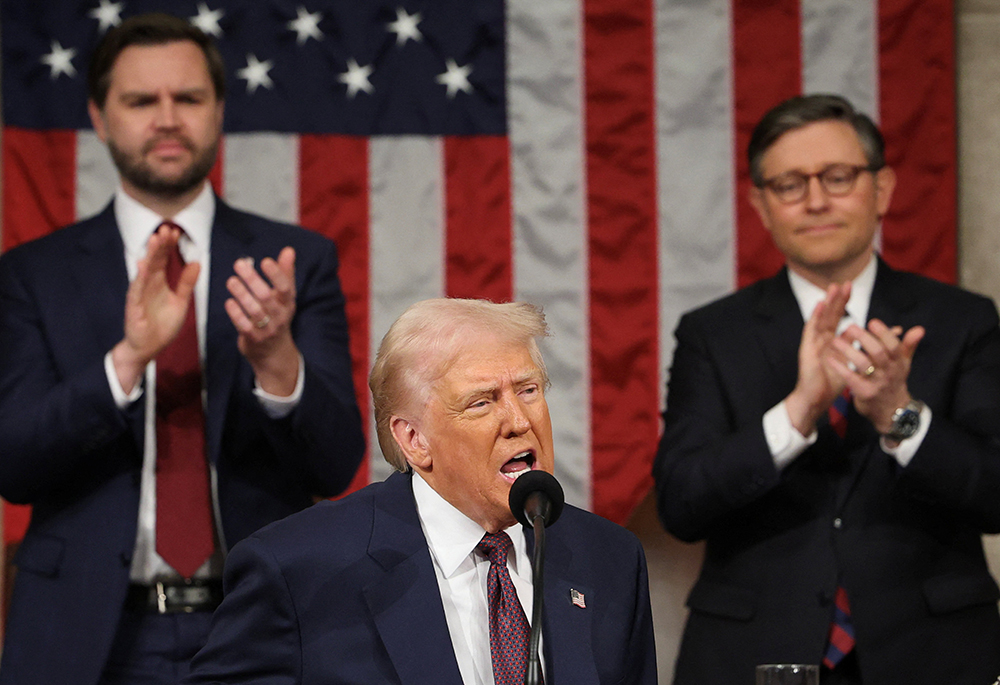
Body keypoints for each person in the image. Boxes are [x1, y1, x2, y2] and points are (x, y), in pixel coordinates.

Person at [0, 13, 364, 685]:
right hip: (83, 637)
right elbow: (12, 461)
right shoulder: (33, 273)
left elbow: (338, 463)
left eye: (188, 98)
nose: (167, 119)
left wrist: (277, 362)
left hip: (258, 625)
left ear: (219, 110)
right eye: (142, 100)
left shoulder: (293, 263)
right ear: (100, 117)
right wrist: (127, 360)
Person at [653, 94, 1000, 685]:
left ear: (882, 189)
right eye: (789, 184)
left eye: (837, 177)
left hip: (933, 653)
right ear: (761, 205)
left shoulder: (960, 320)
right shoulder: (714, 333)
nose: (815, 200)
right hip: (757, 654)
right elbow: (682, 504)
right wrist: (796, 413)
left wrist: (900, 414)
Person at [185, 298, 657, 685]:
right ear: (415, 440)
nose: (519, 421)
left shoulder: (609, 558)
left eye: (529, 390)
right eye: (482, 402)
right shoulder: (298, 570)